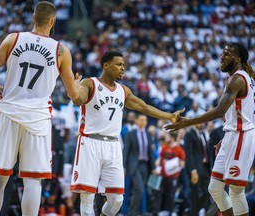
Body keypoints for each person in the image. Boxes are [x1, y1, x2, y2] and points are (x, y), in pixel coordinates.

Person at [0, 1, 81, 215]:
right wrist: (78, 86)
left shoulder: (13, 39)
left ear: (33, 18)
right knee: (33, 181)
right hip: (38, 119)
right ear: (53, 21)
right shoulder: (61, 50)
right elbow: (74, 96)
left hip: (9, 114)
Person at [70, 50, 184, 216]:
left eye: (123, 65)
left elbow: (144, 107)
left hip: (113, 146)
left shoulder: (123, 91)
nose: (123, 68)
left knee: (117, 200)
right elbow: (78, 100)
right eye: (119, 64)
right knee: (87, 199)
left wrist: (169, 116)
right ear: (106, 65)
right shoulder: (90, 83)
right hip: (90, 143)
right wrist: (74, 89)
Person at [165, 42, 255, 216]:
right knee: (215, 188)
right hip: (233, 134)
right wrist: (227, 135)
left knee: (236, 192)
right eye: (222, 53)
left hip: (242, 135)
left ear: (237, 59)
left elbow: (220, 110)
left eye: (226, 54)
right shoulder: (240, 78)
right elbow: (242, 112)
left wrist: (187, 122)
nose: (221, 57)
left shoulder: (238, 78)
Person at [123, 114, 155, 216]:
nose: (143, 122)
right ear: (136, 121)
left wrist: (153, 167)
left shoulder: (148, 134)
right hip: (134, 166)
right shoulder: (130, 134)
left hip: (145, 165)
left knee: (139, 191)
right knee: (140, 189)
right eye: (141, 120)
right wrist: (123, 166)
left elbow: (150, 152)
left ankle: (135, 212)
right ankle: (132, 213)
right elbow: (126, 151)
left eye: (145, 120)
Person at [183, 124, 211, 216]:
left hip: (204, 166)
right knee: (195, 194)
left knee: (208, 191)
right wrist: (193, 170)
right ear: (194, 122)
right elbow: (188, 153)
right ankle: (194, 212)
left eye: (203, 122)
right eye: (199, 121)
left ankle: (192, 211)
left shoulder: (202, 134)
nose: (202, 123)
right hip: (195, 168)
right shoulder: (189, 134)